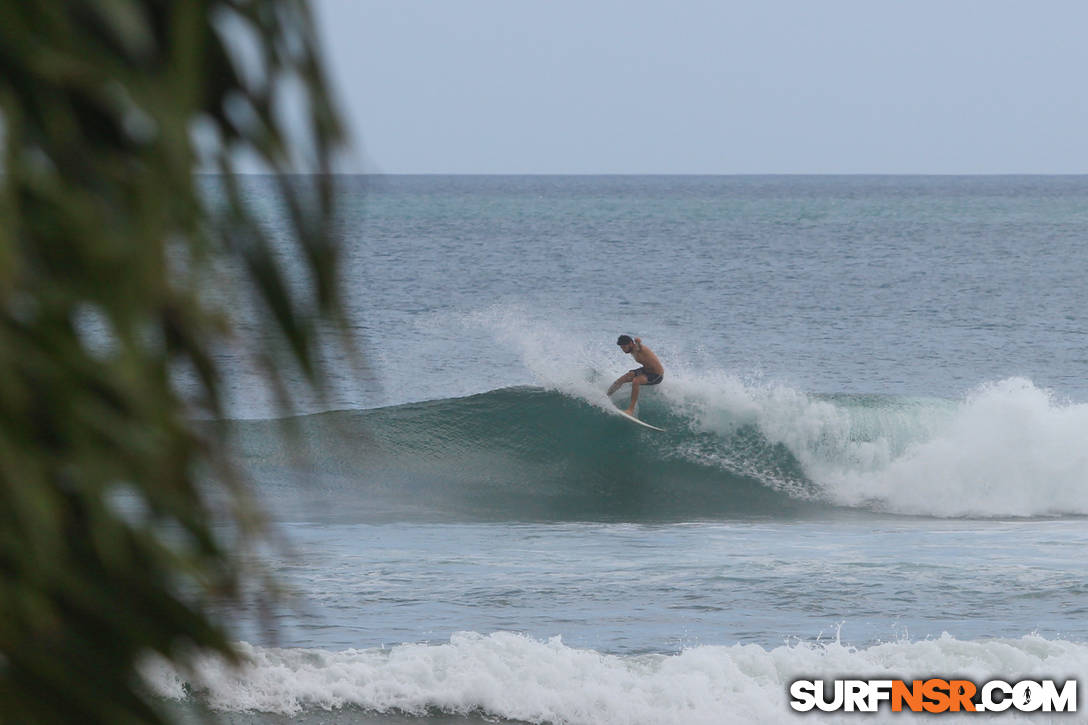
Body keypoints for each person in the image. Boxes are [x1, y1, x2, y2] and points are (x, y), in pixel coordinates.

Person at [607, 335, 664, 415]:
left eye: (624, 347)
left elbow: (639, 347)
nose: (623, 349)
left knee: (636, 381)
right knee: (622, 379)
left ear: (630, 343)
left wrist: (638, 342)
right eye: (621, 347)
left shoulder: (637, 348)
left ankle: (631, 410)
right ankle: (606, 396)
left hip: (656, 375)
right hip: (645, 370)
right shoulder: (631, 350)